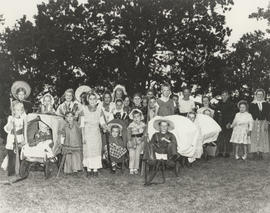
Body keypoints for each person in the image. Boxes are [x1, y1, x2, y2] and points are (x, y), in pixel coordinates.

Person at [80, 93, 103, 177]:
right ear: (88, 100)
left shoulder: (100, 110)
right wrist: (83, 136)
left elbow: (102, 122)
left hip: (96, 133)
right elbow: (82, 125)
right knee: (88, 151)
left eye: (94, 99)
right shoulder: (84, 110)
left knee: (96, 150)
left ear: (96, 100)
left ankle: (95, 169)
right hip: (87, 133)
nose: (92, 101)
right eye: (91, 99)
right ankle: (89, 169)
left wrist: (106, 127)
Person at [3, 101, 26, 176]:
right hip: (12, 139)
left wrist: (24, 139)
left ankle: (19, 170)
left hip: (20, 138)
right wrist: (11, 123)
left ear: (22, 111)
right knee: (11, 155)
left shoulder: (23, 119)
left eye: (20, 110)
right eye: (16, 110)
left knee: (19, 155)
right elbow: (7, 129)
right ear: (13, 110)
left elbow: (24, 129)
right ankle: (11, 171)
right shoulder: (10, 118)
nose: (18, 112)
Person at [249, 89, 270, 159]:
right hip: (255, 122)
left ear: (263, 95)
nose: (259, 96)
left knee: (262, 137)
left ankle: (261, 152)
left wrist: (267, 122)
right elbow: (250, 114)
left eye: (261, 94)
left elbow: (268, 114)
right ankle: (254, 152)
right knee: (254, 137)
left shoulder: (266, 104)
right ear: (256, 95)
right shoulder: (252, 104)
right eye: (258, 94)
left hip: (263, 122)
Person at [216, 90, 236, 157]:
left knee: (228, 138)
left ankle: (227, 152)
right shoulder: (219, 103)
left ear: (228, 96)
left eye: (225, 95)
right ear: (221, 96)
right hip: (220, 123)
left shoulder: (231, 104)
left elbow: (233, 114)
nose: (224, 97)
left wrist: (230, 123)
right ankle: (220, 152)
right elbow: (216, 113)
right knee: (220, 138)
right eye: (223, 95)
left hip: (227, 123)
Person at [127, 109, 146, 175]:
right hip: (132, 140)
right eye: (134, 117)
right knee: (132, 154)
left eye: (138, 116)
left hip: (139, 140)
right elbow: (129, 133)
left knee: (137, 154)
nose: (136, 118)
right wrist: (129, 141)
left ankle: (136, 168)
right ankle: (131, 168)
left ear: (141, 117)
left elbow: (144, 134)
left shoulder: (143, 125)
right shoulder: (131, 125)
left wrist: (142, 139)